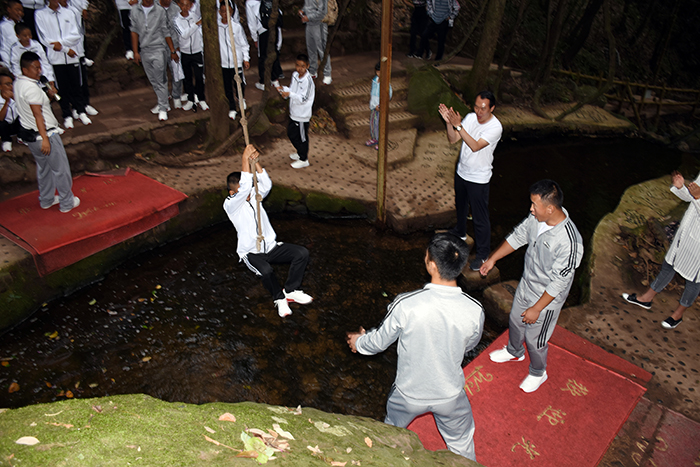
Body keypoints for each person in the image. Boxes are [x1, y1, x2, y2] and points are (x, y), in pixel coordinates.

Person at [346, 232, 484, 461]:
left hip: (408, 394)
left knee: (391, 431)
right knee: (461, 441)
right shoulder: (474, 309)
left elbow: (378, 342)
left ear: (432, 265)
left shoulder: (406, 304)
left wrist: (359, 342)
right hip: (449, 394)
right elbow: (470, 344)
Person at [480, 180, 583, 393]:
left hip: (547, 298)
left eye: (534, 205)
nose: (531, 209)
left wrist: (537, 308)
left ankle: (538, 372)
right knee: (515, 320)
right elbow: (519, 236)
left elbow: (560, 281)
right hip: (526, 284)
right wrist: (493, 259)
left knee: (535, 339)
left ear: (550, 208)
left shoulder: (570, 242)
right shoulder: (536, 218)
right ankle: (514, 351)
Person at [224, 144, 313, 318]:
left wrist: (255, 162)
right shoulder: (231, 205)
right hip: (251, 253)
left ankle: (291, 290)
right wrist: (244, 159)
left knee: (301, 253)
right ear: (232, 192)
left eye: (249, 189)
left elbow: (266, 184)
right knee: (266, 271)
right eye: (241, 190)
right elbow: (244, 188)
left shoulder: (254, 196)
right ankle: (279, 298)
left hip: (270, 247)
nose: (247, 192)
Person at [622, 170, 700, 329]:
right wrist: (680, 188)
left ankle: (677, 315)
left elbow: (697, 198)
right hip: (686, 233)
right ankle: (646, 298)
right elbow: (691, 197)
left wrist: (698, 197)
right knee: (668, 265)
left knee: (693, 281)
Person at [439, 90, 502, 271]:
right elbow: (453, 140)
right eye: (476, 107)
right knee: (461, 205)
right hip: (462, 172)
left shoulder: (495, 127)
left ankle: (483, 255)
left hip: (479, 178)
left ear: (492, 108)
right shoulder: (470, 118)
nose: (478, 111)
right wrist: (449, 124)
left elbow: (475, 146)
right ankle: (460, 232)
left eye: (483, 108)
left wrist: (459, 126)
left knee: (480, 218)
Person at [15, 51, 79, 212]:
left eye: (39, 67)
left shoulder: (18, 83)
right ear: (25, 69)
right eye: (35, 68)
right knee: (60, 169)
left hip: (31, 137)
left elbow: (36, 107)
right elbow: (38, 115)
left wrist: (49, 96)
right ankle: (67, 202)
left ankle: (46, 199)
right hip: (46, 135)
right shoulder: (31, 88)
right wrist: (45, 138)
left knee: (44, 168)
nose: (39, 71)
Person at [35, 0, 91, 128]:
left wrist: (60, 44)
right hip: (56, 59)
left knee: (77, 85)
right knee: (62, 88)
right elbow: (45, 39)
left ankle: (81, 111)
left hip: (73, 56)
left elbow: (76, 35)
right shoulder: (40, 14)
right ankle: (67, 115)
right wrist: (65, 49)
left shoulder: (69, 12)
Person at [130, 0, 177, 121]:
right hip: (144, 50)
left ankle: (163, 107)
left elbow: (165, 31)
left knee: (160, 78)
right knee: (153, 79)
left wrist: (172, 50)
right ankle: (163, 101)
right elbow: (134, 31)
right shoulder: (135, 10)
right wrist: (135, 52)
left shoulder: (159, 10)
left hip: (158, 48)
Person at [276, 53, 314, 169]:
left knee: (302, 137)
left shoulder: (308, 81)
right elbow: (293, 90)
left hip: (302, 115)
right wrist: (284, 90)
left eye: (302, 66)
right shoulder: (295, 75)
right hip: (294, 113)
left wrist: (290, 94)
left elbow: (303, 98)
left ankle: (304, 159)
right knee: (291, 134)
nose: (299, 68)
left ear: (307, 66)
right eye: (297, 65)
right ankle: (300, 152)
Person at [173, 0, 208, 111]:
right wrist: (196, 24)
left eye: (187, 5)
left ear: (191, 5)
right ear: (179, 5)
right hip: (185, 52)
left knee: (199, 77)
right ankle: (191, 100)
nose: (185, 7)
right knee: (187, 77)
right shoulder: (176, 20)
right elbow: (184, 35)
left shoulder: (194, 16)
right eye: (182, 5)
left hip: (197, 52)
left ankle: (201, 99)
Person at [218, 0, 249, 120]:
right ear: (219, 12)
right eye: (223, 11)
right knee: (227, 87)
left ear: (231, 12)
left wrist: (245, 58)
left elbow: (244, 44)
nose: (225, 14)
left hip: (236, 62)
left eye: (228, 11)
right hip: (224, 63)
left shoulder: (236, 27)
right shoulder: (217, 27)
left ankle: (241, 99)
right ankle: (232, 107)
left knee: (239, 83)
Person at [9, 23, 55, 93]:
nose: (28, 37)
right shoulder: (15, 48)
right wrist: (23, 79)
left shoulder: (36, 45)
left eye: (30, 35)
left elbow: (45, 62)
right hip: (27, 81)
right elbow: (16, 67)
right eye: (25, 36)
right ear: (18, 36)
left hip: (42, 79)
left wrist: (50, 78)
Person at [247, 0, 282, 91]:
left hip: (263, 30)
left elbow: (251, 21)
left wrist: (254, 37)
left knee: (263, 56)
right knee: (273, 52)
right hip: (274, 28)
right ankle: (274, 79)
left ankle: (263, 81)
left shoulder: (250, 2)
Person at [158, 0, 184, 111]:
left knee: (177, 72)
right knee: (159, 74)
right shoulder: (154, 8)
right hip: (158, 46)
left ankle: (176, 96)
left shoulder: (176, 8)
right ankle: (163, 98)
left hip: (174, 46)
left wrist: (177, 47)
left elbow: (179, 29)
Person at [300, 0, 330, 84]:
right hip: (309, 24)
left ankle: (327, 73)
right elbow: (308, 6)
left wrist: (309, 17)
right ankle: (313, 71)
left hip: (319, 24)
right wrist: (303, 10)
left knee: (322, 49)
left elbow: (322, 12)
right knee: (311, 48)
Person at [366, 61, 392, 150]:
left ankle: (381, 141)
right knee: (372, 123)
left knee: (379, 124)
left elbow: (388, 95)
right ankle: (374, 138)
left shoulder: (385, 83)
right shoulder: (374, 80)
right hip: (373, 106)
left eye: (380, 72)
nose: (379, 74)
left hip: (380, 107)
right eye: (377, 72)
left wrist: (380, 106)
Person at [0, 69, 20, 152]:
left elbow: (25, 110)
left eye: (11, 84)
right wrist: (7, 102)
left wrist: (14, 98)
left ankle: (22, 136)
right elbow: (0, 119)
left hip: (16, 125)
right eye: (7, 84)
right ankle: (6, 141)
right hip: (4, 128)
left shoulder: (17, 94)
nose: (11, 87)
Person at [0, 0, 24, 65]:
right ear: (9, 9)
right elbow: (3, 49)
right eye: (17, 10)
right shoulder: (3, 26)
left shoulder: (22, 24)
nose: (20, 13)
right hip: (10, 62)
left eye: (22, 11)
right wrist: (9, 65)